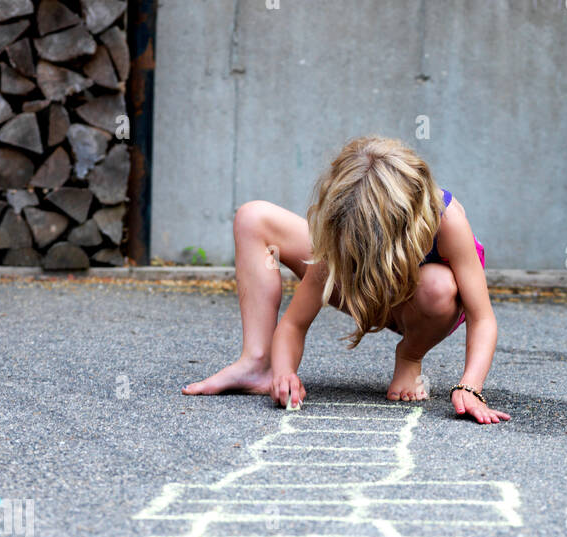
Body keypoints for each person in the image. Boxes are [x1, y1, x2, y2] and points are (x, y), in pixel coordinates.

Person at [183, 135, 510, 425]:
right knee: (253, 217)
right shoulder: (347, 229)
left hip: (419, 306)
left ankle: (410, 355)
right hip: (362, 290)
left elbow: (483, 319)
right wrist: (284, 371)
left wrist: (470, 386)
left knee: (437, 286)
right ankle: (257, 364)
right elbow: (294, 325)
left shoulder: (447, 220)